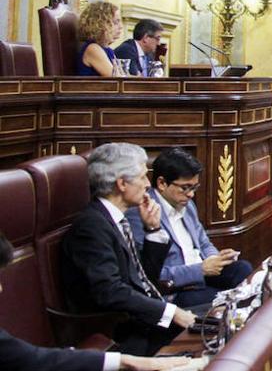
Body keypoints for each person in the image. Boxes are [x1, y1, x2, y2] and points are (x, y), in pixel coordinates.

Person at [0, 233, 191, 371]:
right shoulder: (90, 228)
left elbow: (31, 357)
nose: (1, 288)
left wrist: (126, 361)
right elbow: (36, 360)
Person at [61, 143, 197, 354]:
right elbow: (110, 292)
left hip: (145, 318)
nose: (147, 185)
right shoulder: (92, 227)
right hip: (121, 331)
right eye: (142, 177)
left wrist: (153, 230)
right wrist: (170, 313)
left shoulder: (116, 220)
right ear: (122, 184)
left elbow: (143, 278)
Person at [127, 148, 252, 309]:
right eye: (185, 188)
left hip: (203, 272)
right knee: (227, 300)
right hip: (176, 287)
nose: (191, 194)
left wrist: (216, 259)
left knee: (242, 269)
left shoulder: (187, 204)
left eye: (194, 187)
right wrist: (200, 270)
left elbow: (203, 242)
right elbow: (149, 273)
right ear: (162, 183)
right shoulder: (141, 212)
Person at [76, 0, 122, 76]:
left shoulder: (108, 49)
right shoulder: (93, 49)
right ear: (100, 24)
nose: (120, 27)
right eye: (116, 22)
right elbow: (116, 79)